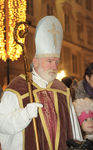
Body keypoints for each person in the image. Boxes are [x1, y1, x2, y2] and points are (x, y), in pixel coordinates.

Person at [0, 16, 82, 150]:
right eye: (49, 61)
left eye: (56, 62)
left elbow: (73, 128)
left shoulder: (62, 89)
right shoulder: (18, 87)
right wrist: (24, 115)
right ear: (35, 62)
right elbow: (1, 124)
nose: (54, 66)